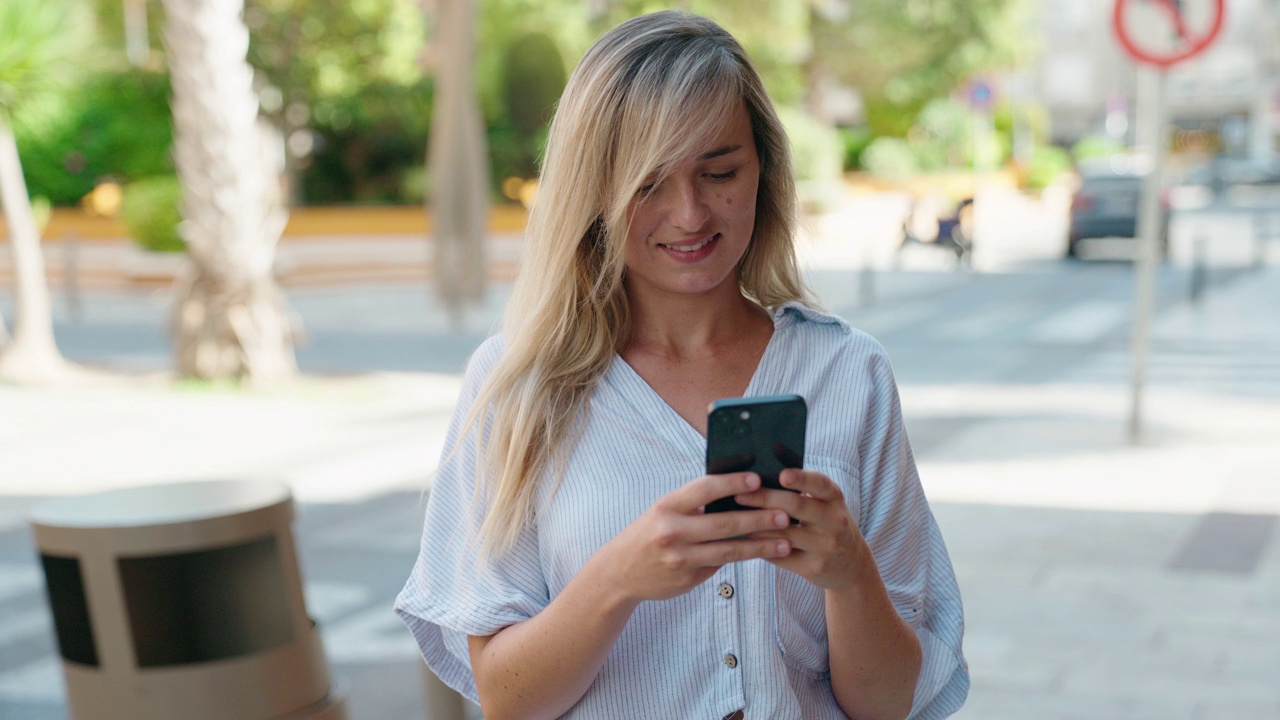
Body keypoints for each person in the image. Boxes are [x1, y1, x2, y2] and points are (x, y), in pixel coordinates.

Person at [396, 10, 968, 719]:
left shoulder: (848, 373)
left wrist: (850, 573)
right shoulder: (518, 385)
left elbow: (886, 706)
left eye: (719, 171)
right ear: (593, 192)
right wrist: (619, 578)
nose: (691, 214)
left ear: (763, 167)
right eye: (647, 183)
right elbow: (507, 700)